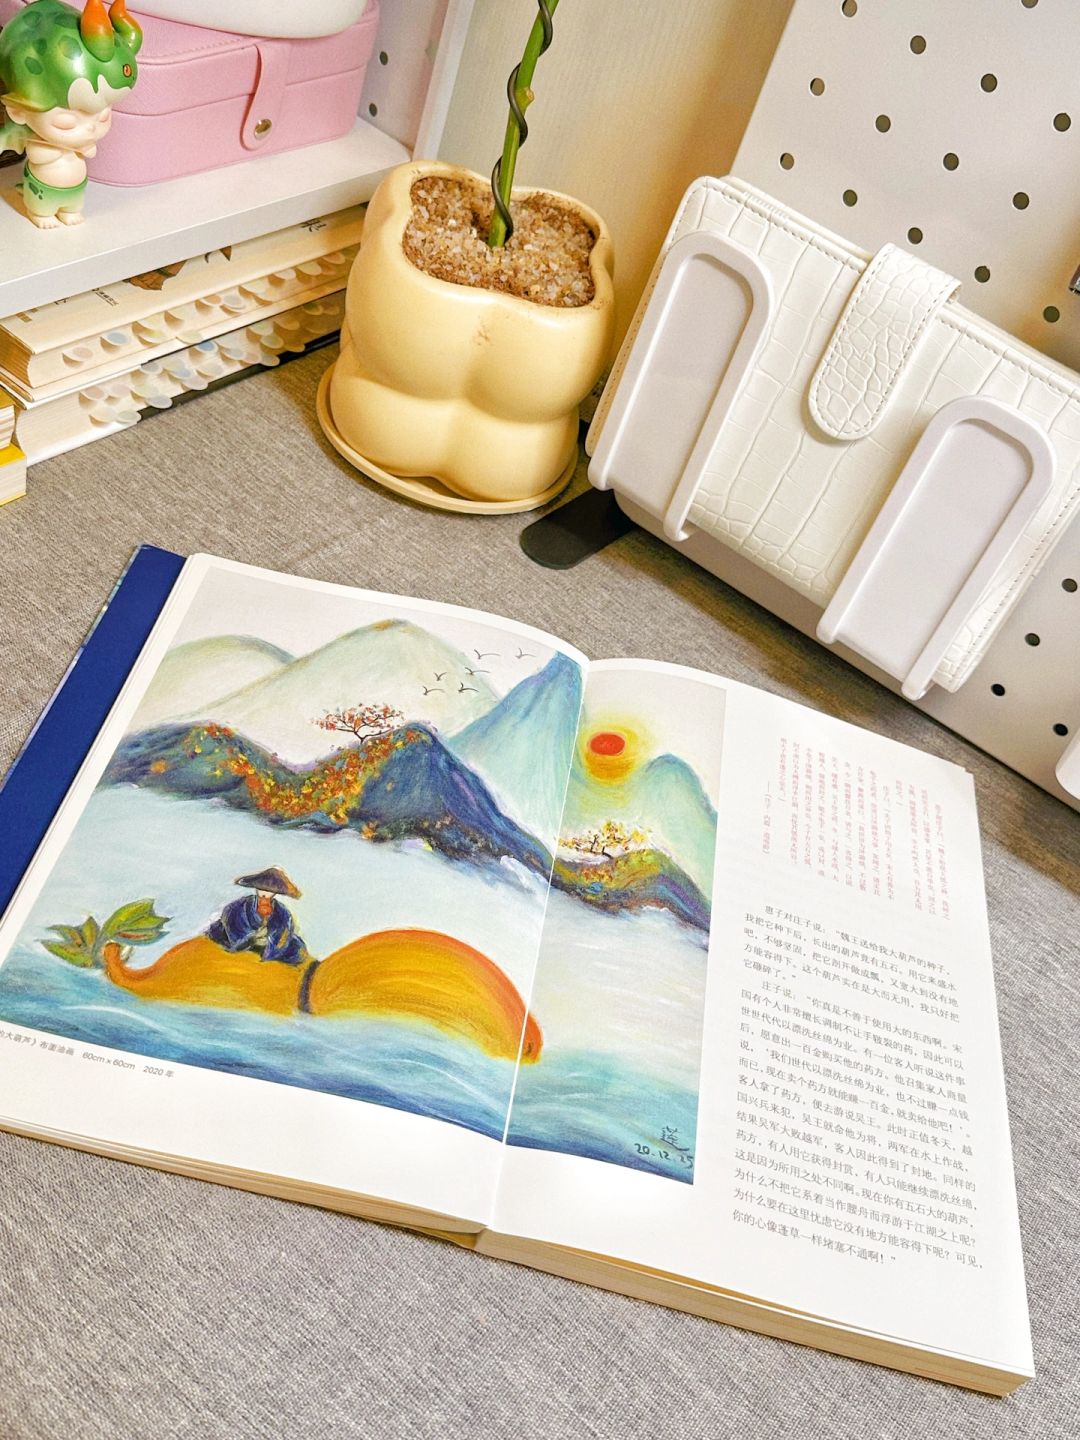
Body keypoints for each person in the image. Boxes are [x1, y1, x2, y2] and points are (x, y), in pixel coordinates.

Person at [0, 0, 142, 228]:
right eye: (66, 123)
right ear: (18, 112)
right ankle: (40, 213)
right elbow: (38, 156)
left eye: (104, 116)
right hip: (42, 189)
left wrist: (82, 146)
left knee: (73, 205)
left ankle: (69, 210)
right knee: (42, 205)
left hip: (74, 190)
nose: (90, 128)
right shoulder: (39, 145)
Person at [206, 867, 308, 966]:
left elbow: (283, 935)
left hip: (266, 946)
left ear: (275, 893)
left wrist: (269, 942)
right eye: (261, 889)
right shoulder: (238, 906)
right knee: (218, 933)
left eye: (270, 891)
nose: (265, 893)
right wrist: (252, 938)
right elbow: (231, 922)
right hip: (240, 939)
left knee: (298, 949)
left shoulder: (282, 912)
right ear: (256, 888)